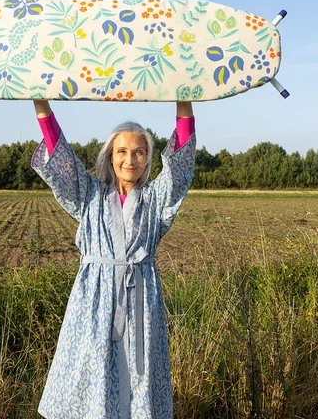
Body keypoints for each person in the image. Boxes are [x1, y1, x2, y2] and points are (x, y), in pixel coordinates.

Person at [31, 99, 196, 419]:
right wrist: (41, 102)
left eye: (139, 151)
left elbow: (181, 166)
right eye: (122, 151)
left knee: (138, 380)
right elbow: (60, 155)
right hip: (94, 303)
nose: (130, 158)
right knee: (91, 377)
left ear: (148, 159)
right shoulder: (90, 194)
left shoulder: (156, 199)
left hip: (139, 304)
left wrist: (184, 99)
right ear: (110, 155)